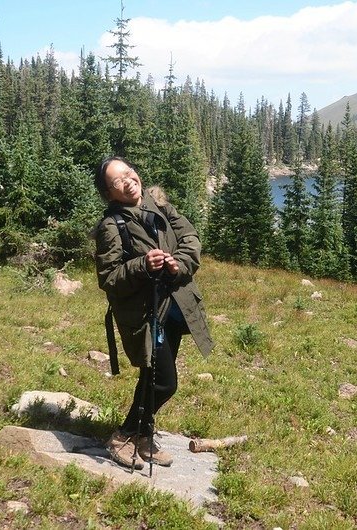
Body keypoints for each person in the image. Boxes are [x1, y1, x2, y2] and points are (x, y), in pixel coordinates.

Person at [93, 156, 214, 470]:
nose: (129, 179)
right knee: (164, 383)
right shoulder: (111, 226)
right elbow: (109, 278)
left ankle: (144, 437)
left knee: (152, 376)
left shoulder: (158, 204)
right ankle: (124, 435)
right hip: (145, 315)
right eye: (119, 179)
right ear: (110, 193)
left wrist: (178, 263)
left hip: (173, 308)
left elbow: (190, 239)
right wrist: (142, 266)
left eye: (129, 172)